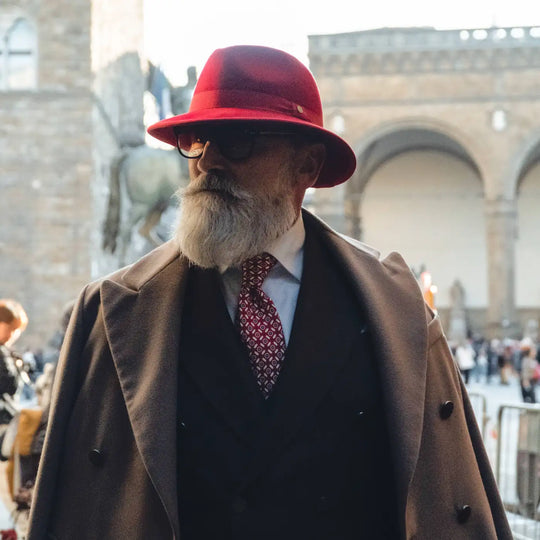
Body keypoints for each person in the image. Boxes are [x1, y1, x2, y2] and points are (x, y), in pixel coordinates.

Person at [28, 45, 511, 539]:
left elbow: (445, 496)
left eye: (237, 140)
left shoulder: (398, 312)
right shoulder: (113, 311)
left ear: (306, 165)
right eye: (198, 140)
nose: (208, 161)